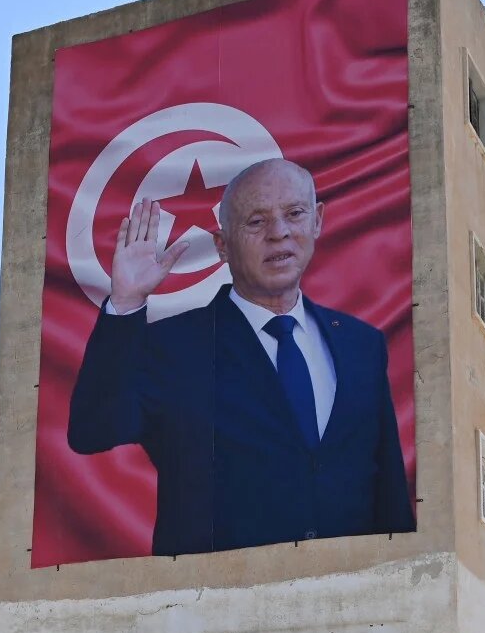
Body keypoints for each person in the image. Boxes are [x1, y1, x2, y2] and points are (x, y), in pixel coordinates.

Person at [67, 157, 415, 554]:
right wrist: (126, 303)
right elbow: (93, 430)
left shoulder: (361, 344)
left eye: (295, 213)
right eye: (256, 221)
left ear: (317, 220)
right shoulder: (175, 346)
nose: (279, 233)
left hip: (353, 599)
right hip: (218, 604)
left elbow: (388, 490)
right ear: (222, 246)